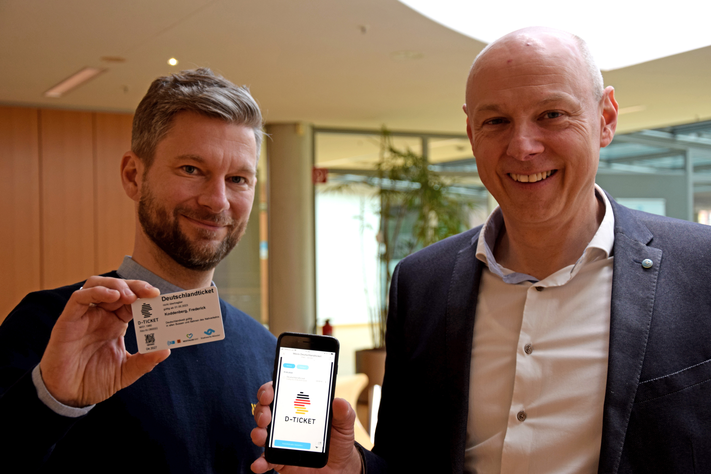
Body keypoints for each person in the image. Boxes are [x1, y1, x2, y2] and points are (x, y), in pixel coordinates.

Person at [251, 27, 711, 473]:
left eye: (552, 114)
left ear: (606, 118)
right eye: (496, 121)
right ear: (472, 133)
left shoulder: (701, 268)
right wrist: (351, 468)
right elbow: (405, 459)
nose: (523, 146)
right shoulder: (420, 283)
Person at [0, 68, 277, 473]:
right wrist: (52, 400)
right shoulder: (49, 326)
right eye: (191, 169)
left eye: (237, 179)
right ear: (134, 175)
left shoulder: (265, 351)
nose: (217, 201)